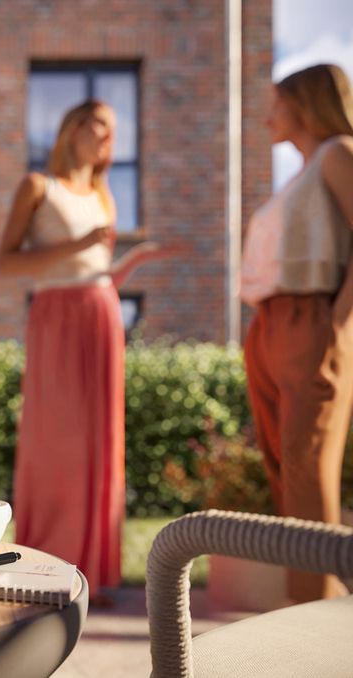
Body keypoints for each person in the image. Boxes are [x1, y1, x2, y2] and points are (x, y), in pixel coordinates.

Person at [0, 99, 165, 603]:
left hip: (102, 313)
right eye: (101, 125)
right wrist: (80, 246)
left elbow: (98, 269)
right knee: (56, 439)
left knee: (99, 440)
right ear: (72, 128)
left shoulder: (103, 194)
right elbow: (6, 265)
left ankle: (89, 571)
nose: (110, 137)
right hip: (56, 317)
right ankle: (44, 561)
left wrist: (134, 262)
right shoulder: (36, 186)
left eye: (116, 129)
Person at [240, 63, 353, 603]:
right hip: (270, 323)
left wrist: (338, 321)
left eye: (276, 103)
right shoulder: (302, 173)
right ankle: (304, 606)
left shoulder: (338, 153)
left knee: (308, 467)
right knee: (286, 469)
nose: (267, 117)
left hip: (311, 319)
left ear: (303, 104)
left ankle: (319, 620)